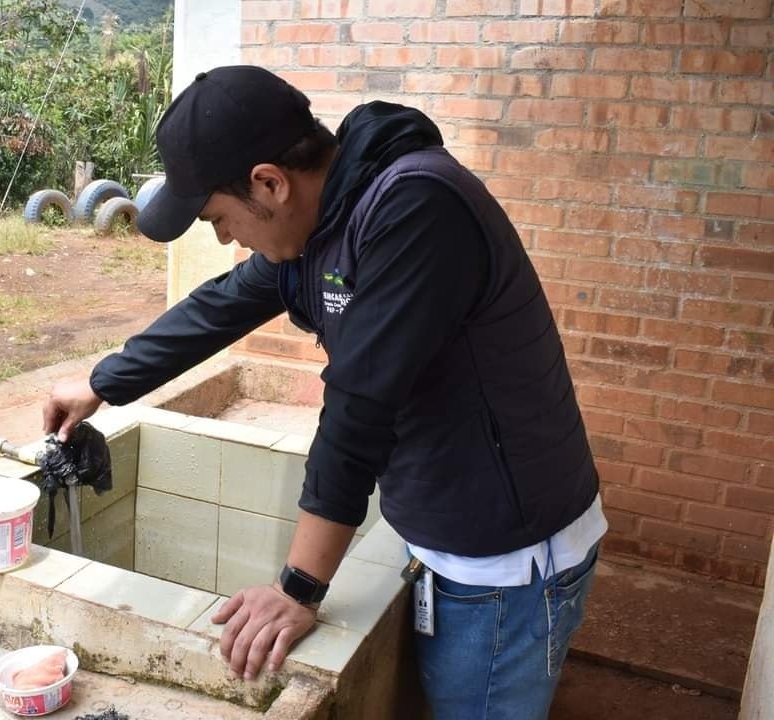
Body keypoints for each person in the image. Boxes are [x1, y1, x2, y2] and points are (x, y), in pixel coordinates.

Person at [42, 65, 607, 720]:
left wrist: (299, 589)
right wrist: (100, 384)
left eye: (219, 218)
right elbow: (221, 307)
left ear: (270, 183)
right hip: (447, 535)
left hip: (505, 563)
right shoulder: (323, 225)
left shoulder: (415, 210)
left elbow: (359, 407)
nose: (225, 238)